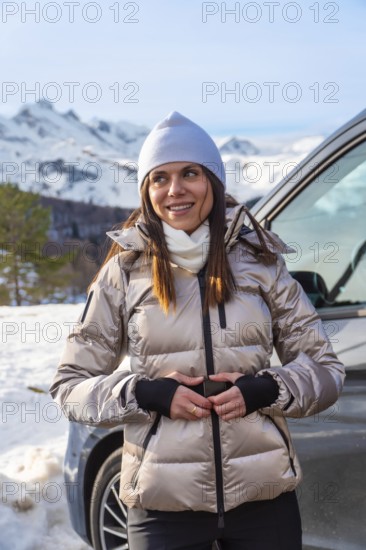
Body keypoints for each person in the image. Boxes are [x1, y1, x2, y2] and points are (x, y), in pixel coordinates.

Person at [50, 111, 345, 550]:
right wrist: (144, 394)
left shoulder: (261, 264)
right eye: (160, 178)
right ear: (147, 191)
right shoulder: (123, 274)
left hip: (264, 503)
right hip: (162, 510)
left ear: (213, 180)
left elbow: (326, 371)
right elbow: (69, 386)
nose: (175, 190)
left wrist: (267, 388)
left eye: (190, 173)